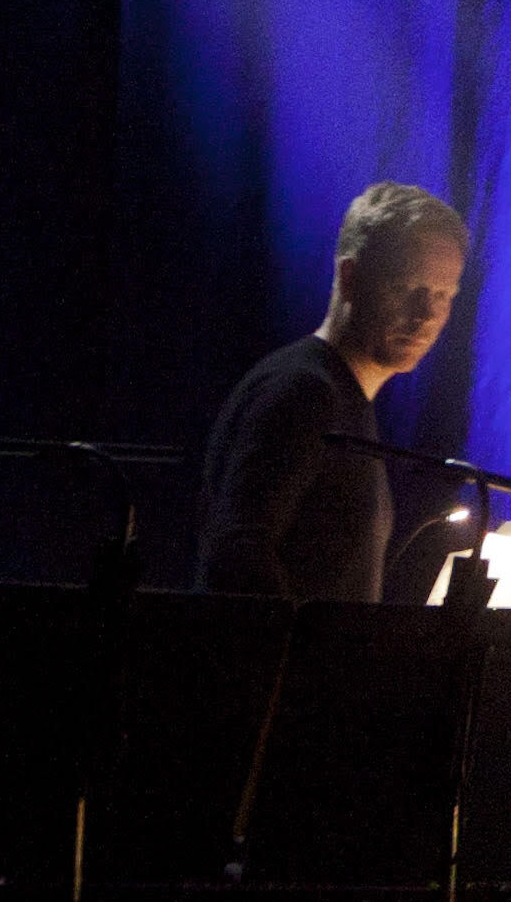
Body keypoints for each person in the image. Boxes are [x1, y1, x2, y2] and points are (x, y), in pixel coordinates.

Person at [189, 184, 473, 602]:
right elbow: (238, 555)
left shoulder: (340, 396)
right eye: (406, 287)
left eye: (442, 295)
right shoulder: (303, 392)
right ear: (350, 277)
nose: (426, 314)